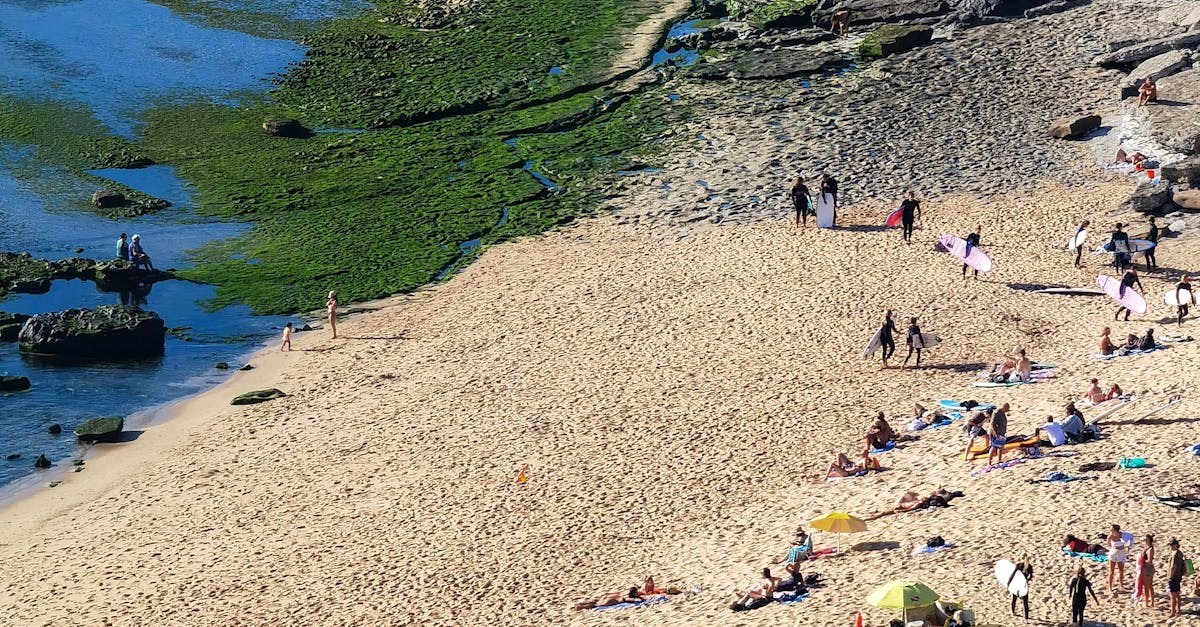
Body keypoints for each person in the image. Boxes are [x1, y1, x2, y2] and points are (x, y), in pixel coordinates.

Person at [574, 579, 656, 610]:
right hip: (611, 601)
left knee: (596, 601)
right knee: (596, 605)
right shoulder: (627, 597)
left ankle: (581, 603)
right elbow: (631, 600)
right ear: (634, 593)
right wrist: (641, 599)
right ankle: (580, 607)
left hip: (610, 596)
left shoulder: (627, 593)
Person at [1135, 534, 1156, 608]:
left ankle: (1152, 602)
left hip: (1148, 569)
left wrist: (1142, 560)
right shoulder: (1146, 548)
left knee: (1149, 586)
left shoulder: (1150, 549)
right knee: (1145, 586)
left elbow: (1150, 560)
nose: (1145, 540)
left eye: (1146, 539)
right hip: (1144, 568)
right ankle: (1146, 602)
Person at [1167, 538, 1185, 618]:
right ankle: (1178, 610)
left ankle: (1173, 611)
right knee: (1177, 594)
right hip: (1179, 575)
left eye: (1171, 545)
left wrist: (1170, 576)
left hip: (1174, 576)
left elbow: (1173, 567)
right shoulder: (1180, 553)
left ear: (1175, 545)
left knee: (1173, 595)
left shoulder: (1175, 554)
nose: (1170, 546)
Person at [1107, 524, 1128, 592]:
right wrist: (1113, 548)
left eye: (1112, 530)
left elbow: (1128, 541)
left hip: (1121, 553)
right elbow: (1108, 544)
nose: (1111, 531)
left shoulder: (1122, 535)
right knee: (1111, 571)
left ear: (1116, 530)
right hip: (1113, 553)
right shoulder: (1110, 536)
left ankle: (1121, 585)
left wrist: (1124, 548)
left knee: (1121, 570)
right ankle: (1110, 587)